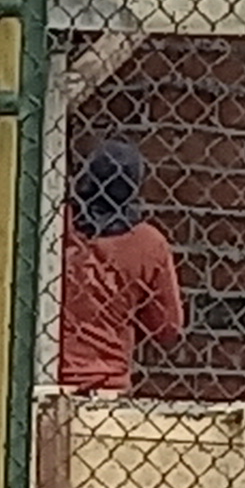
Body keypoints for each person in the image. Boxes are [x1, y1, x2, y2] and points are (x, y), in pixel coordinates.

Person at [57, 143, 186, 394]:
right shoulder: (148, 243)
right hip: (109, 382)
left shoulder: (56, 224)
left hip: (50, 375)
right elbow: (167, 327)